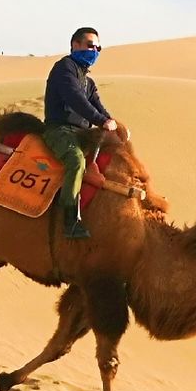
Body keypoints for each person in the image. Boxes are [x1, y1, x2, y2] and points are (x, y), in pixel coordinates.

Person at [43, 27, 116, 239]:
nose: (94, 51)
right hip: (60, 130)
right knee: (76, 160)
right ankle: (69, 221)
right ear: (75, 45)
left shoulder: (88, 82)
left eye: (98, 48)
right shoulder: (64, 68)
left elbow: (98, 106)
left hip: (82, 133)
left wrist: (113, 123)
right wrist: (101, 121)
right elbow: (75, 98)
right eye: (90, 46)